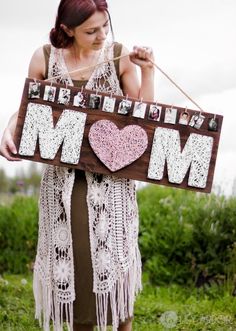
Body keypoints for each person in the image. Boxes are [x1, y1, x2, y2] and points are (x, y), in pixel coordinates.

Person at [0, 1, 155, 330]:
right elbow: (28, 110)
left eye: (104, 26)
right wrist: (8, 129)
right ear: (68, 29)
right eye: (91, 30)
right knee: (77, 270)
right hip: (63, 186)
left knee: (113, 268)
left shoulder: (120, 56)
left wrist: (147, 70)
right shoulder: (44, 58)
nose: (101, 36)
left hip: (112, 184)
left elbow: (146, 122)